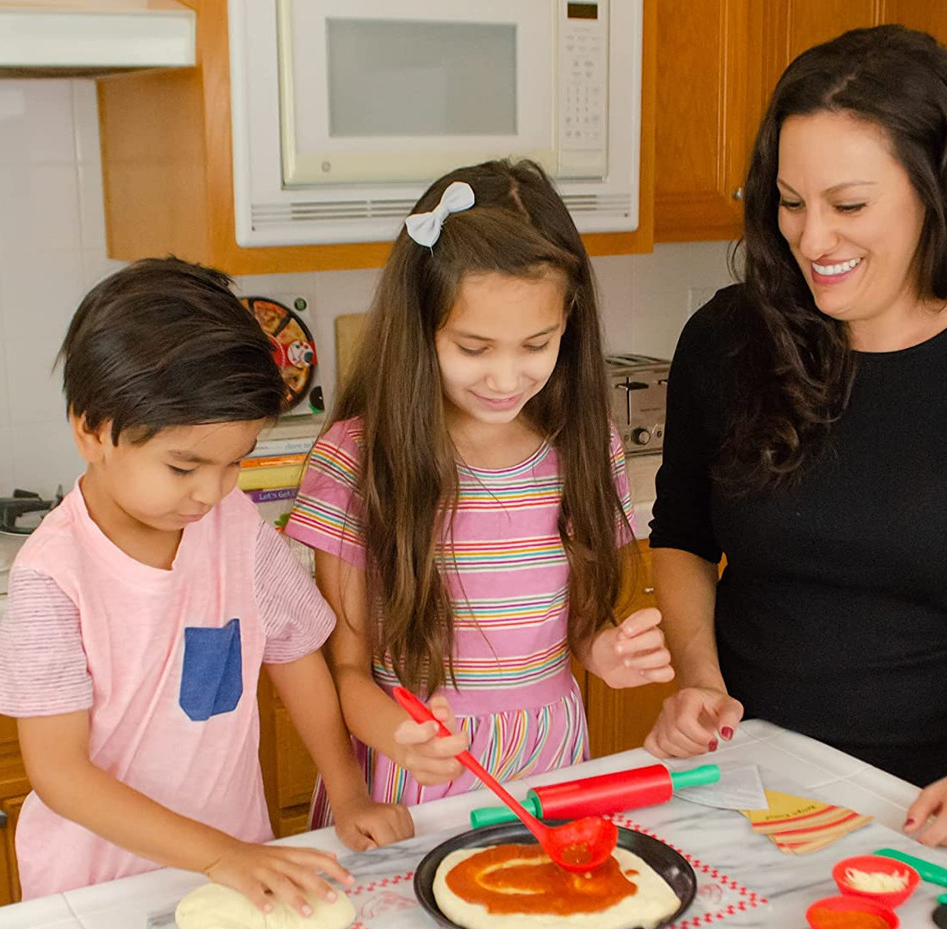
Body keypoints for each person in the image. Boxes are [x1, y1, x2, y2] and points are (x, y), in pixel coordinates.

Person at [644, 26, 947, 856]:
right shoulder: (727, 338)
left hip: (927, 802)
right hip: (741, 779)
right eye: (790, 202)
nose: (812, 240)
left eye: (848, 205)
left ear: (937, 189)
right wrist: (698, 682)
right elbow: (680, 536)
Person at [286, 159, 673, 848]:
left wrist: (605, 649)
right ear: (422, 328)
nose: (504, 377)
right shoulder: (359, 461)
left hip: (552, 762)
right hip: (412, 779)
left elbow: (577, 628)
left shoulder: (586, 449)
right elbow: (345, 670)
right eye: (473, 347)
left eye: (536, 345)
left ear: (570, 326)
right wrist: (400, 739)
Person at [0, 258, 361, 913]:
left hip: (236, 866)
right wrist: (222, 855)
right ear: (91, 430)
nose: (211, 491)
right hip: (95, 891)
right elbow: (59, 774)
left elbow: (296, 653)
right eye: (184, 466)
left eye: (233, 464)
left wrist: (348, 787)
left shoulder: (235, 527)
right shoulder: (52, 576)